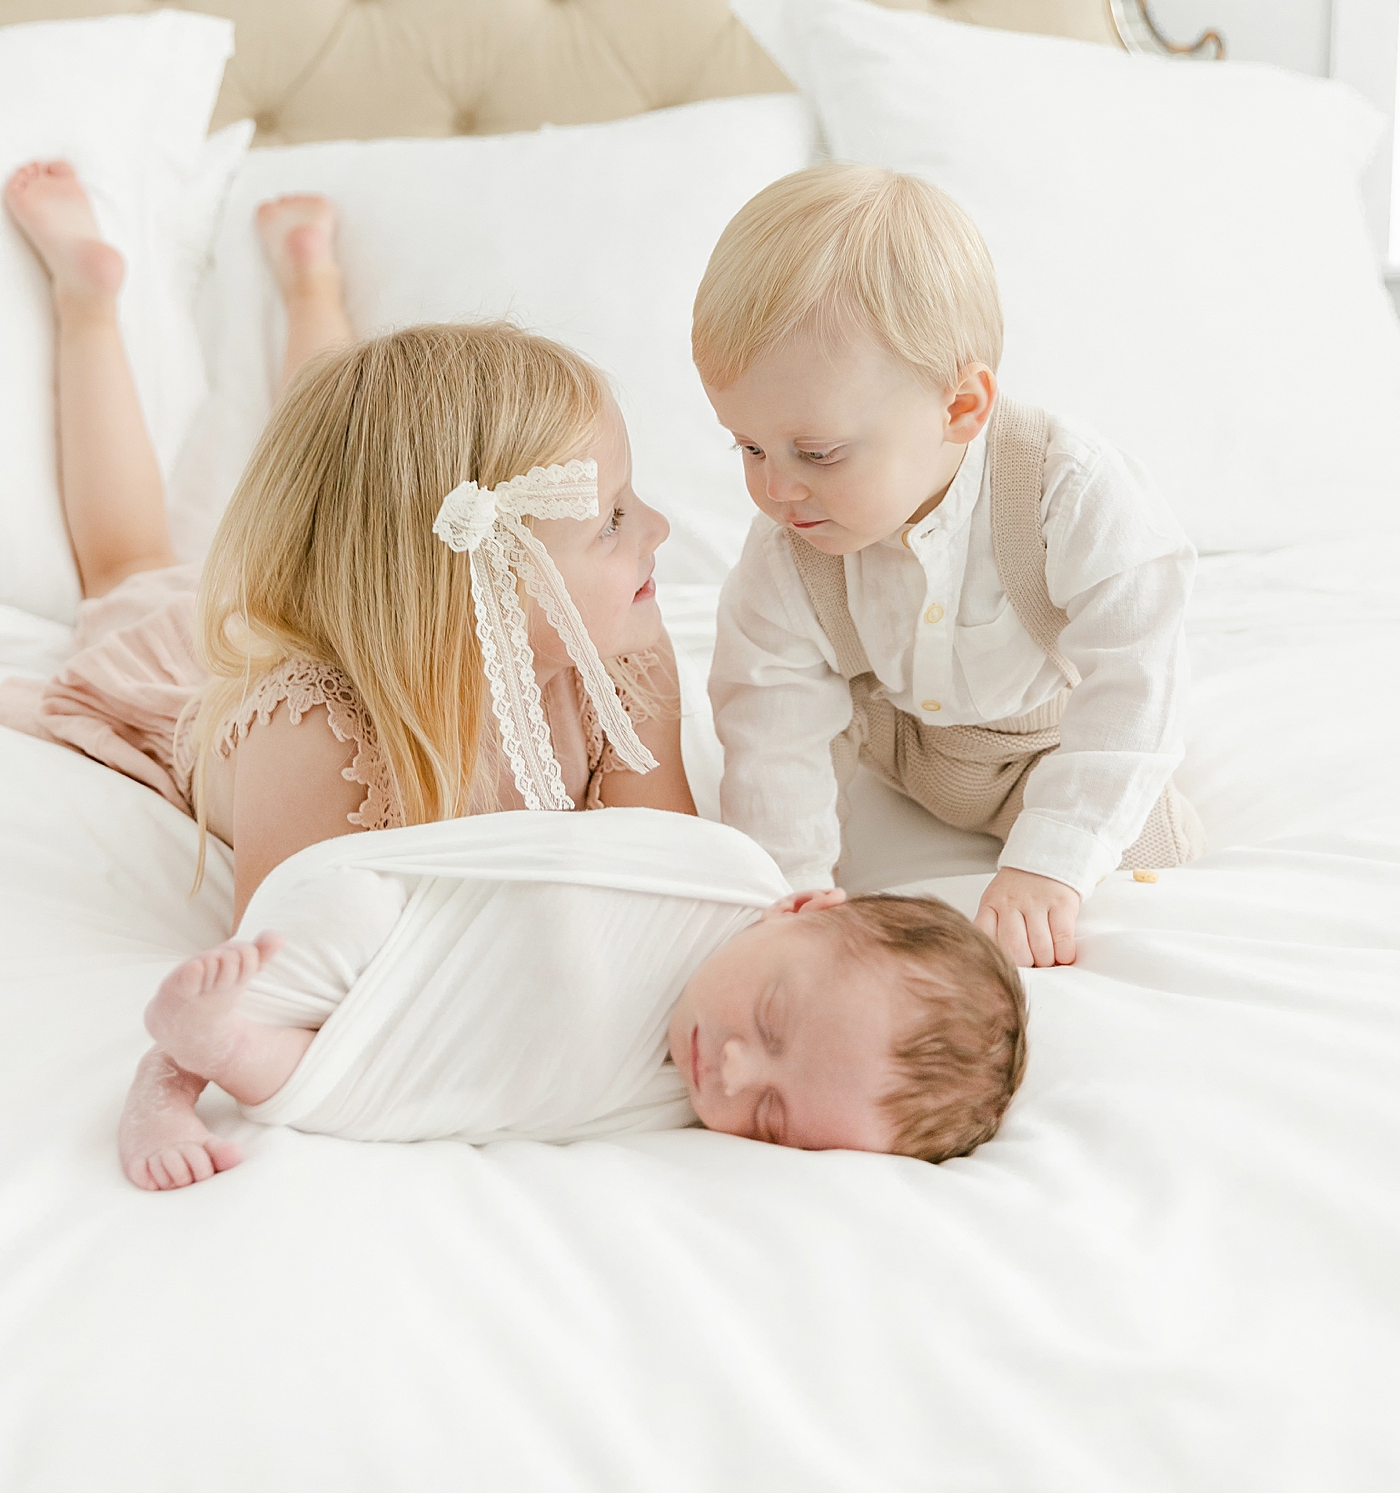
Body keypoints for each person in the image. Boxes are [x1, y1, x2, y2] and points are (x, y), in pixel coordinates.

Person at [1, 158, 695, 941]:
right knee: (128, 563)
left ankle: (311, 289)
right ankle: (86, 299)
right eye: (611, 520)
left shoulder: (625, 654)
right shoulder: (312, 739)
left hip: (372, 603)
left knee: (357, 463)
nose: (657, 531)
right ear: (480, 581)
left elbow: (671, 876)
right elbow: (285, 974)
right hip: (190, 661)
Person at [692, 164, 1203, 973]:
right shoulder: (789, 549)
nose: (775, 488)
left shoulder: (1063, 489)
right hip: (896, 744)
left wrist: (1051, 861)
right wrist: (790, 893)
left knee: (1155, 857)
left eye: (816, 453)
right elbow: (770, 723)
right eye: (748, 447)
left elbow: (1140, 662)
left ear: (960, 408)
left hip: (1041, 747)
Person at [117, 804, 1028, 1188]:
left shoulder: (670, 1107)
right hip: (405, 916)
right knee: (335, 924)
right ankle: (166, 1071)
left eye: (774, 1121)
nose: (734, 1071)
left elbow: (524, 1093)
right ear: (799, 907)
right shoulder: (718, 876)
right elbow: (539, 851)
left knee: (302, 1081)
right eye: (772, 1018)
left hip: (403, 1050)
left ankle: (204, 1045)